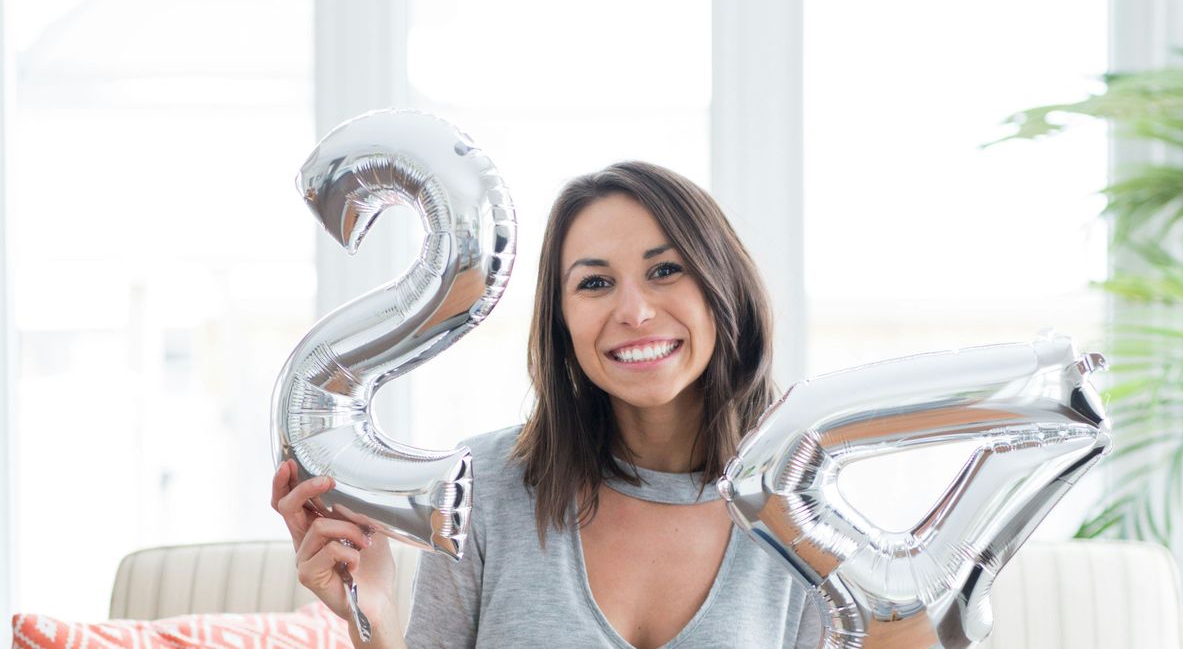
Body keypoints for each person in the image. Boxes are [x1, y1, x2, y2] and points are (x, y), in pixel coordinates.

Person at [272, 161, 821, 648]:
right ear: (561, 321)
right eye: (595, 282)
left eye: (664, 270)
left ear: (724, 287)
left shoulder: (801, 520)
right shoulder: (482, 486)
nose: (633, 311)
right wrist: (377, 619)